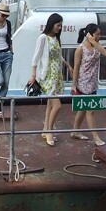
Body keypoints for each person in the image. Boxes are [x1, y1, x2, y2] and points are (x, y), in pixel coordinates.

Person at [29, 13, 73, 147]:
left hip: (56, 75)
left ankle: (45, 129)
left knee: (50, 105)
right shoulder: (43, 38)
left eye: (60, 26)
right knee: (57, 105)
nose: (59, 28)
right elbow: (36, 57)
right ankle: (49, 130)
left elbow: (58, 56)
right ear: (51, 24)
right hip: (47, 76)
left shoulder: (55, 39)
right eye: (58, 25)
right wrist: (33, 75)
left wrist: (68, 65)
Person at [71, 23, 106, 146]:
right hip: (83, 83)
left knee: (83, 109)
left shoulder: (97, 46)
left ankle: (75, 131)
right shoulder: (80, 49)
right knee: (90, 110)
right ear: (90, 34)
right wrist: (73, 85)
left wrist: (93, 41)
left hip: (92, 82)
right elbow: (76, 67)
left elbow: (105, 53)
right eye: (97, 34)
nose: (99, 36)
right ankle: (96, 137)